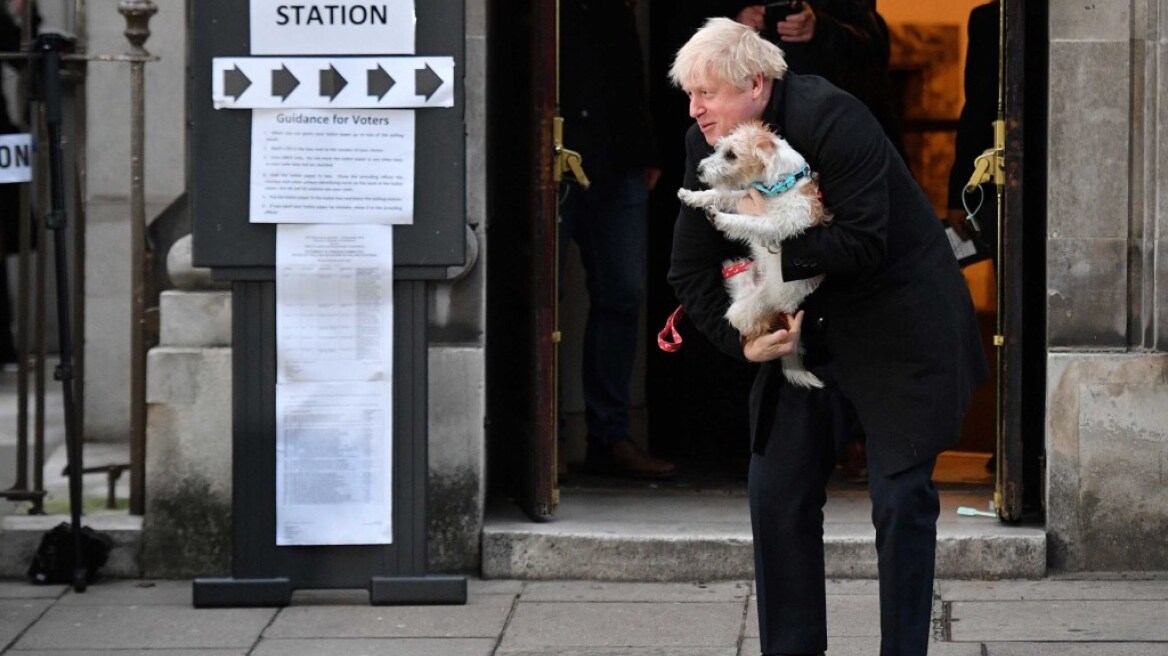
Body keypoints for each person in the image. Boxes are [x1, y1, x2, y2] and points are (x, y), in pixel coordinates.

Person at [668, 18, 987, 656]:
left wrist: (765, 231)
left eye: (706, 93)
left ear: (754, 84)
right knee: (776, 493)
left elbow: (863, 242)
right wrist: (744, 343)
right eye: (690, 95)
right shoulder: (707, 143)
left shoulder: (836, 119)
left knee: (902, 503)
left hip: (900, 322)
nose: (695, 109)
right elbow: (689, 266)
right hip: (808, 334)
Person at [559, 0, 675, 479]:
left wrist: (645, 146)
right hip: (554, 148)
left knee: (623, 294)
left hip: (618, 157)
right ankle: (540, 446)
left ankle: (609, 437)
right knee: (542, 298)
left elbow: (629, 64)